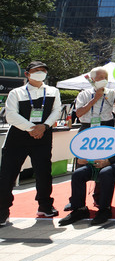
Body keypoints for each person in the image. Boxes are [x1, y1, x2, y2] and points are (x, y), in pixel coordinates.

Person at [59, 95, 115, 226]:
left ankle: (104, 209)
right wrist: (86, 157)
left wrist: (110, 161)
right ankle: (79, 209)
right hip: (99, 160)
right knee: (78, 174)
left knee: (106, 172)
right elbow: (96, 143)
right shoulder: (107, 123)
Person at [0, 61, 62, 226]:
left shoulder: (52, 91)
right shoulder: (17, 92)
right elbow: (11, 115)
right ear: (27, 74)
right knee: (7, 174)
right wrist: (31, 128)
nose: (40, 73)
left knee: (43, 173)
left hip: (43, 136)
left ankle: (45, 206)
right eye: (36, 70)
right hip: (18, 137)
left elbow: (57, 110)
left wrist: (44, 126)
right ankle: (2, 211)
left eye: (43, 70)